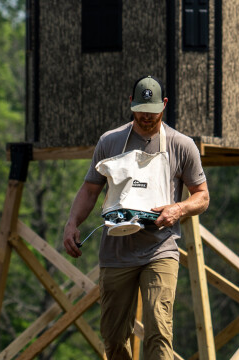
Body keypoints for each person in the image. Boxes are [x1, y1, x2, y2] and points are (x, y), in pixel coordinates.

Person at [63, 75, 209, 359]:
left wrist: (177, 209)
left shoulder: (182, 145)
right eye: (141, 110)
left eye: (153, 112)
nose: (146, 117)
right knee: (114, 338)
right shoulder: (110, 141)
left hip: (160, 249)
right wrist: (72, 223)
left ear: (164, 105)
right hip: (116, 252)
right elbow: (90, 190)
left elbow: (202, 195)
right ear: (131, 104)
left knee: (158, 330)